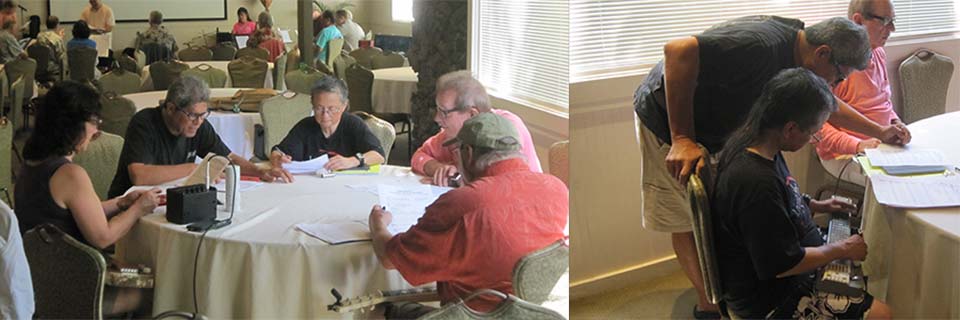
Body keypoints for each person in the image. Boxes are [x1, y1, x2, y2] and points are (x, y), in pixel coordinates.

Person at [631, 16, 907, 318]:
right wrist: (682, 137)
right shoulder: (759, 45)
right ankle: (710, 308)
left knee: (731, 213)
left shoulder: (771, 139)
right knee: (685, 219)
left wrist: (879, 132)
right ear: (823, 54)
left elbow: (826, 104)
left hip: (716, 128)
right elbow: (678, 49)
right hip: (666, 116)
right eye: (839, 76)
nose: (836, 85)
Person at [712, 68, 891, 319]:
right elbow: (783, 265)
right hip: (773, 298)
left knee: (864, 265)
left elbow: (777, 208)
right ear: (791, 129)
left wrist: (817, 205)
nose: (813, 139)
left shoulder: (758, 144)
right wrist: (840, 250)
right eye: (813, 133)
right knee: (882, 313)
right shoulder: (755, 183)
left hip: (795, 264)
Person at [368, 112, 568, 319]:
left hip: (474, 314)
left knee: (379, 310)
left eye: (457, 151)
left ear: (469, 153)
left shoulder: (462, 204)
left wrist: (378, 226)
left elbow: (391, 259)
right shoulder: (557, 189)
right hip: (535, 312)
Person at [14, 80, 160, 315]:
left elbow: (63, 214)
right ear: (72, 125)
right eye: (93, 122)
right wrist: (138, 209)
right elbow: (103, 237)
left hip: (40, 282)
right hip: (76, 287)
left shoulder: (31, 162)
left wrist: (119, 204)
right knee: (152, 291)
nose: (96, 130)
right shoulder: (70, 174)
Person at [107, 76, 291, 198]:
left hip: (167, 200)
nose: (199, 122)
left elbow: (227, 158)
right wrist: (195, 169)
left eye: (204, 115)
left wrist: (259, 171)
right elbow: (140, 175)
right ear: (170, 108)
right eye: (193, 115)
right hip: (128, 207)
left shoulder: (198, 125)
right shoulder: (144, 123)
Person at [816, 0, 911, 186]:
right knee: (899, 185)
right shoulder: (834, 63)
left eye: (893, 20)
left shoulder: (879, 52)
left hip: (882, 145)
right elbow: (818, 126)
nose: (892, 28)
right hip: (845, 154)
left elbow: (884, 103)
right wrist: (858, 145)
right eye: (885, 21)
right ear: (858, 21)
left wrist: (896, 123)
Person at [412, 70, 541, 187]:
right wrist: (439, 169)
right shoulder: (456, 134)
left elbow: (503, 185)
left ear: (472, 114)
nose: (437, 118)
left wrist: (460, 179)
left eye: (444, 112)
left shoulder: (505, 130)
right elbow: (419, 156)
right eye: (438, 110)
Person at [270, 76, 384, 176]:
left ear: (344, 106)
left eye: (332, 109)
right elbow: (278, 151)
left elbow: (379, 155)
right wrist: (279, 160)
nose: (325, 115)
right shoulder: (305, 126)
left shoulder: (353, 124)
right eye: (319, 108)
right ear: (312, 105)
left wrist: (352, 161)